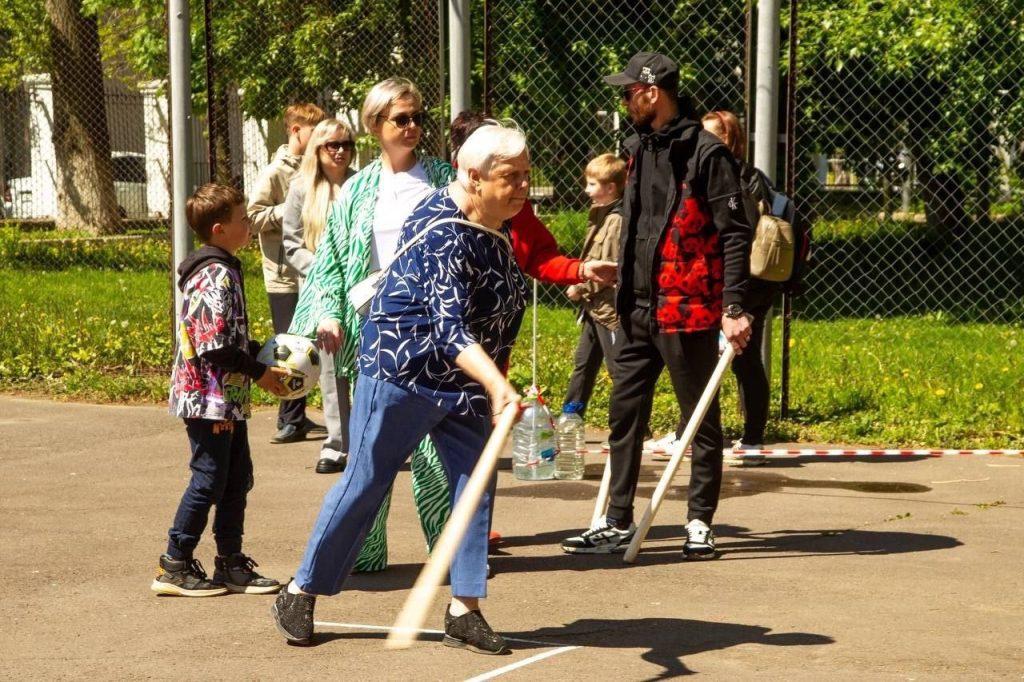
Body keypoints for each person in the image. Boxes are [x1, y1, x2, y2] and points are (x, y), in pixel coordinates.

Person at [272, 124, 530, 654]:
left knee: (472, 487)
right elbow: (448, 326)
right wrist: (497, 384)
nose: (523, 186)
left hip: (464, 383)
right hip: (402, 373)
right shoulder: (443, 229)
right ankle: (300, 589)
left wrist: (493, 382)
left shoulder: (495, 221)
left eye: (527, 175)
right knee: (365, 481)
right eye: (512, 177)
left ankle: (465, 608)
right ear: (473, 176)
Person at [561, 52, 754, 560]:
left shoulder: (707, 155)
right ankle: (617, 518)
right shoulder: (636, 149)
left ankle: (698, 521)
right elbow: (635, 224)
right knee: (625, 411)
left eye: (628, 92)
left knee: (697, 418)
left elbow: (735, 234)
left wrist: (734, 307)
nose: (623, 100)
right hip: (636, 306)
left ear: (652, 93)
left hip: (687, 306)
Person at [288, 78, 455, 572]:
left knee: (434, 455)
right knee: (372, 451)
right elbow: (333, 262)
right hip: (377, 336)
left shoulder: (445, 179)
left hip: (434, 334)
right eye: (400, 118)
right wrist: (328, 312)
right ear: (375, 124)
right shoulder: (359, 190)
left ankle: (448, 552)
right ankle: (364, 551)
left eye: (418, 117)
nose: (412, 127)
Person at [153, 183, 289, 597]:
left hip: (225, 398)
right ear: (219, 229)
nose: (249, 225)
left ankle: (230, 562)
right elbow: (214, 347)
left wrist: (260, 356)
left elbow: (224, 337)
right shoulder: (214, 275)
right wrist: (260, 373)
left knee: (236, 478)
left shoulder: (224, 267)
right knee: (210, 479)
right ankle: (175, 563)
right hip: (208, 399)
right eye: (243, 220)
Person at [247, 103, 328, 445]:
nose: (321, 139)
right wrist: (291, 207)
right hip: (283, 275)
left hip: (311, 271)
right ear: (296, 131)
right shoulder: (276, 172)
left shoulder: (318, 168)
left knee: (311, 345)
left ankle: (295, 415)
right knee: (288, 347)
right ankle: (289, 419)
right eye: (315, 132)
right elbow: (253, 218)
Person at [281, 118, 357, 474]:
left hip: (360, 288)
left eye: (347, 144)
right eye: (333, 145)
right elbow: (292, 245)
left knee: (366, 369)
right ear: (317, 150)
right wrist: (326, 270)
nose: (341, 151)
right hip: (322, 289)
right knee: (330, 369)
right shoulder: (300, 189)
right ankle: (337, 444)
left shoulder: (362, 184)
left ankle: (370, 442)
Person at [562, 153, 627, 417]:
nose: (586, 190)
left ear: (610, 188)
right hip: (594, 308)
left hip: (609, 310)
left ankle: (630, 421)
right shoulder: (600, 213)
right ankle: (571, 417)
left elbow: (608, 269)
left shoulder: (616, 219)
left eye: (591, 184)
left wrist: (580, 288)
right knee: (584, 365)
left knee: (617, 369)